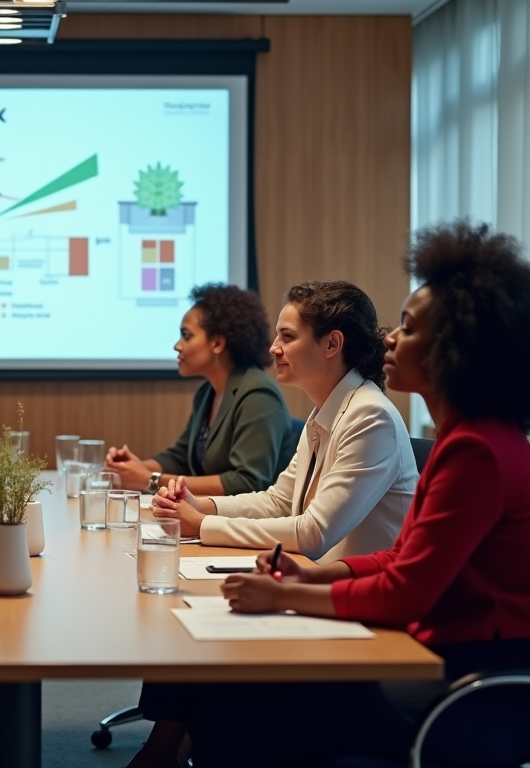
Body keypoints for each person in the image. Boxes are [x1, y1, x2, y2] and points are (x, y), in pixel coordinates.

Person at [133, 220, 530, 768]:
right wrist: (308, 577)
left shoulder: (473, 449)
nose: (389, 337)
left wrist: (285, 594)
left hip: (452, 684)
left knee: (230, 710)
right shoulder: (466, 437)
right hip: (426, 654)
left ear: (453, 347)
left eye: (409, 329)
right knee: (223, 687)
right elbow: (399, 557)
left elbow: (404, 590)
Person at [152, 280, 418, 563]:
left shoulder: (371, 416)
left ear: (332, 344)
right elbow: (278, 502)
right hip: (316, 580)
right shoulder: (328, 409)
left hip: (360, 596)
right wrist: (201, 506)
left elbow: (313, 534)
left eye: (287, 337)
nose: (273, 348)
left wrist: (202, 524)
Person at [105, 283, 294, 496]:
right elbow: (180, 457)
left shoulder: (258, 395)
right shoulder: (207, 392)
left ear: (217, 343)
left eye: (186, 335)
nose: (177, 345)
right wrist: (131, 468)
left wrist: (151, 480)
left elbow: (247, 482)